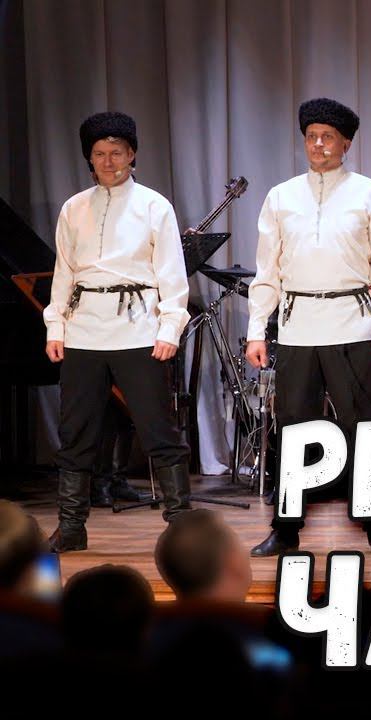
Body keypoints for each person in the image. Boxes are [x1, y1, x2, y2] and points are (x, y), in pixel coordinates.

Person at [245, 98, 371, 558]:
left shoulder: (368, 192)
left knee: (364, 428)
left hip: (352, 323)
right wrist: (257, 329)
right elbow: (267, 270)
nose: (318, 144)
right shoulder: (281, 196)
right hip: (297, 326)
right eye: (312, 136)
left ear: (345, 144)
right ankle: (286, 528)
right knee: (293, 429)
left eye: (328, 137)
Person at [42, 111, 191, 552]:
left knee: (157, 429)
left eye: (117, 153)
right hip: (84, 330)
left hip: (138, 329)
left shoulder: (154, 205)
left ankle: (181, 527)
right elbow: (64, 273)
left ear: (132, 155)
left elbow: (172, 272)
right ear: (89, 158)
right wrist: (55, 326)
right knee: (76, 432)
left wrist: (170, 326)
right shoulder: (74, 208)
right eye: (100, 154)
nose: (108, 161)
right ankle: (71, 526)